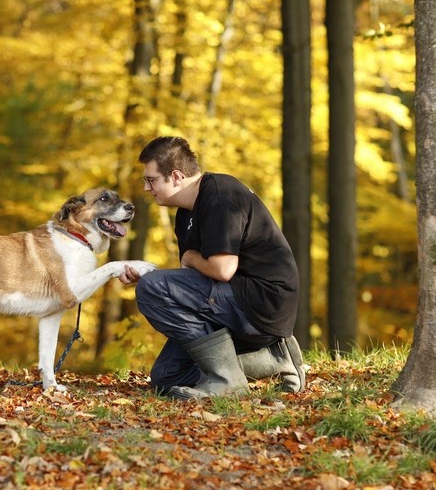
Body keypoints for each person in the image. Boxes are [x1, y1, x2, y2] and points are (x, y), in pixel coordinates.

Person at [119, 136, 305, 400]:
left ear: (175, 176)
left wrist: (186, 262)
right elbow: (194, 277)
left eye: (151, 180)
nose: (147, 188)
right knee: (166, 377)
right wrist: (150, 276)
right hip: (231, 301)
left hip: (261, 303)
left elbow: (221, 269)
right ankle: (274, 361)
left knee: (153, 288)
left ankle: (226, 381)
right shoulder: (185, 214)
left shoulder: (220, 194)